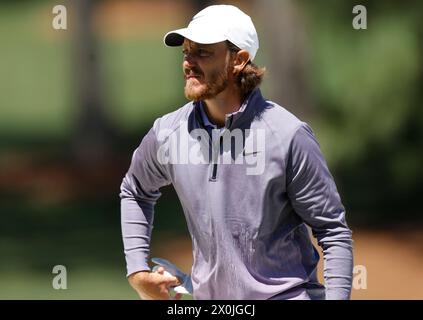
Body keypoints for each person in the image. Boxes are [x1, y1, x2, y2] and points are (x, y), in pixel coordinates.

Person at [120, 4, 353, 300]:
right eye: (186, 52)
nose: (188, 63)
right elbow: (135, 189)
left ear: (239, 60)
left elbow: (333, 232)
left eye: (203, 52)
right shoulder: (168, 133)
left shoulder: (287, 135)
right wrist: (138, 271)